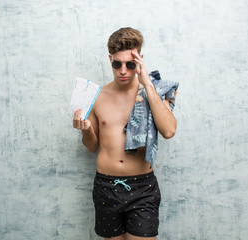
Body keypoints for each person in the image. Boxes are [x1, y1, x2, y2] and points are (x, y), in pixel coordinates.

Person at [72, 27, 178, 240]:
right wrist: (88, 130)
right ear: (110, 59)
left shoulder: (155, 91)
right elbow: (92, 146)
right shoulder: (97, 95)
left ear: (140, 59)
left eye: (130, 64)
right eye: (117, 64)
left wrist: (146, 83)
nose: (123, 70)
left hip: (142, 188)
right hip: (106, 187)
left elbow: (168, 130)